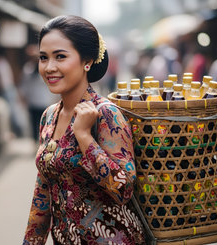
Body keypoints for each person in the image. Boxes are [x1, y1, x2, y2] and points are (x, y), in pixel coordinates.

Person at [23, 15, 145, 244]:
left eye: (60, 56)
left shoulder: (106, 115)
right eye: (43, 58)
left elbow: (123, 190)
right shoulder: (49, 116)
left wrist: (85, 137)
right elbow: (42, 192)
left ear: (86, 61)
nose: (49, 67)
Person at [20, 44, 58, 142]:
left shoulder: (46, 69)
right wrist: (23, 98)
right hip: (33, 101)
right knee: (34, 123)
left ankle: (43, 141)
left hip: (44, 101)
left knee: (44, 124)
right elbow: (24, 85)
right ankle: (36, 142)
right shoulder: (28, 69)